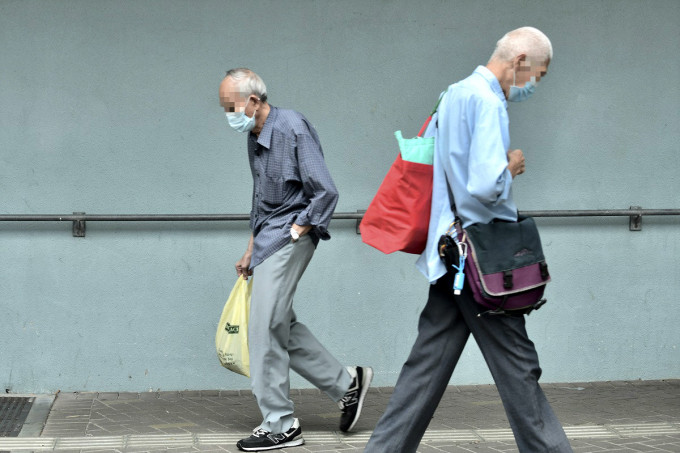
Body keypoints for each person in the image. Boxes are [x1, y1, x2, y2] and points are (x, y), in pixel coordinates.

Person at [364, 27, 573, 453]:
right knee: (518, 366)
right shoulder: (488, 100)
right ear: (519, 61)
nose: (534, 84)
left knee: (426, 365)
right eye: (539, 75)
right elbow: (483, 185)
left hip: (451, 253)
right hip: (485, 261)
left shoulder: (454, 94)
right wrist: (509, 166)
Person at [218, 68, 372, 452]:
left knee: (264, 324)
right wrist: (252, 246)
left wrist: (298, 230)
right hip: (269, 236)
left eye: (231, 106)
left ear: (253, 101)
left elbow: (325, 191)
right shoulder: (254, 136)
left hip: (290, 234)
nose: (227, 114)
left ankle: (281, 424)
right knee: (279, 322)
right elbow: (261, 199)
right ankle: (346, 383)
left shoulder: (292, 127)